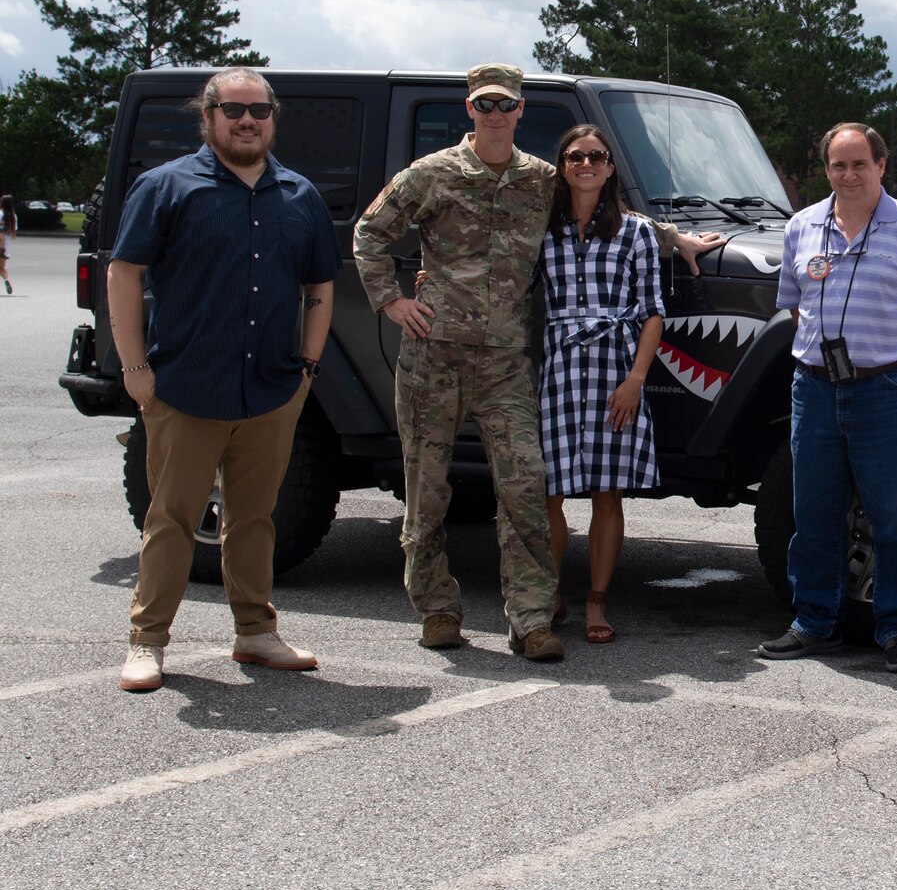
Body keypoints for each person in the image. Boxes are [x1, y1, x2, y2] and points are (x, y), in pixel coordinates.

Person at [105, 68, 338, 692]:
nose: (247, 121)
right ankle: (147, 642)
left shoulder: (299, 194)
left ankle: (256, 633)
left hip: (271, 388)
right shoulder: (165, 187)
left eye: (259, 111)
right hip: (184, 388)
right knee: (172, 519)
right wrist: (136, 371)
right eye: (232, 109)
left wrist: (307, 368)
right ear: (206, 115)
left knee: (256, 517)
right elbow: (124, 273)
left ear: (273, 118)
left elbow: (320, 284)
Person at [354, 63, 565, 662]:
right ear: (469, 110)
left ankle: (531, 619)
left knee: (524, 486)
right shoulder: (433, 173)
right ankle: (438, 608)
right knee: (427, 491)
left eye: (505, 105)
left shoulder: (541, 180)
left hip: (504, 365)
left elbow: (598, 217)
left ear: (521, 110)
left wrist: (673, 238)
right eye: (484, 105)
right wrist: (391, 301)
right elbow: (370, 232)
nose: (495, 115)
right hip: (433, 359)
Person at [757, 123, 897, 673]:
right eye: (838, 165)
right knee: (813, 513)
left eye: (859, 164)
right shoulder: (802, 227)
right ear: (827, 170)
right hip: (813, 388)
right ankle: (814, 622)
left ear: (881, 166)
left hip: (885, 390)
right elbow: (796, 307)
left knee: (892, 517)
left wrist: (889, 361)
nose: (849, 175)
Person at [538, 123, 667, 646]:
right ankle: (549, 595)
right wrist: (434, 277)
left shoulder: (635, 232)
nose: (585, 164)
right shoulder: (541, 227)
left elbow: (654, 311)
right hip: (555, 368)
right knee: (547, 492)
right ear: (562, 165)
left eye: (596, 156)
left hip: (617, 369)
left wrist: (636, 380)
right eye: (575, 156)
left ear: (610, 167)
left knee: (606, 493)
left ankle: (596, 600)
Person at [1, 193, 15, 293]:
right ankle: (6, 280)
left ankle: (6, 281)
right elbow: (13, 233)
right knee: (2, 268)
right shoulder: (14, 217)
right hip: (5, 248)